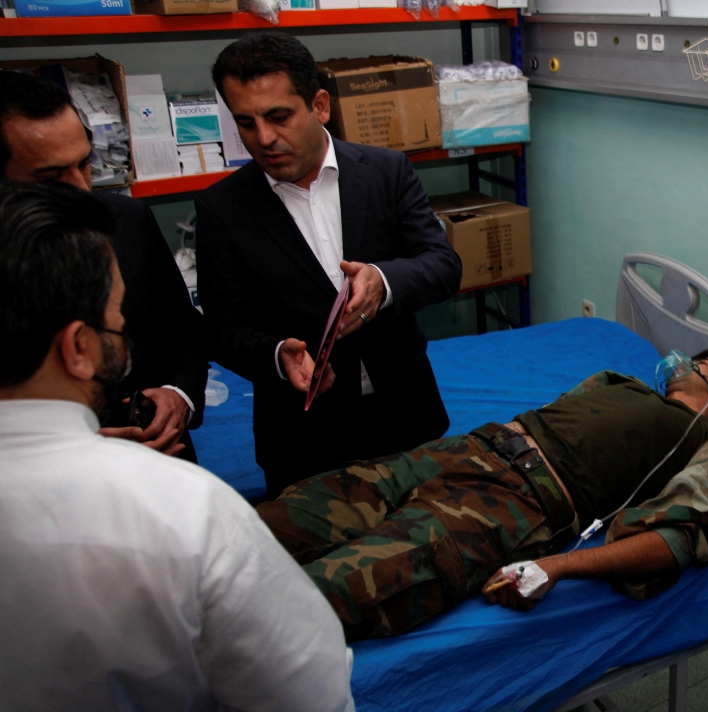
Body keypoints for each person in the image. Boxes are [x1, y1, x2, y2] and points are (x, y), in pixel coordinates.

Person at [0, 181, 354, 711]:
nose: (123, 330)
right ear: (78, 348)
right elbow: (311, 693)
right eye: (117, 321)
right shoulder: (184, 514)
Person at [258, 349, 708, 641]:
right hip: (467, 446)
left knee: (324, 594)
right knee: (280, 519)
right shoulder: (622, 384)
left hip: (512, 504)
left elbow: (674, 542)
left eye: (699, 362)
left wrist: (558, 567)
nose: (679, 361)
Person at [196, 33, 462, 497]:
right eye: (246, 122)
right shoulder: (223, 208)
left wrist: (383, 280)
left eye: (279, 117)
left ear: (320, 106)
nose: (264, 138)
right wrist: (278, 354)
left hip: (406, 417)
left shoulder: (386, 171)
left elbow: (443, 265)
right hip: (301, 440)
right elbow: (222, 327)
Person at [0, 69, 207, 462]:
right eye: (52, 177)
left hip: (159, 460)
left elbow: (184, 330)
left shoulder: (129, 221)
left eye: (85, 165)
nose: (81, 189)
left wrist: (178, 396)